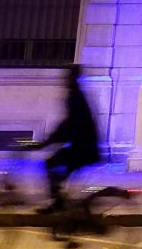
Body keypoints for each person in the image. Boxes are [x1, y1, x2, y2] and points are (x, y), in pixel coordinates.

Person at [34, 64, 101, 210]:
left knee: (50, 163)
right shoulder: (77, 94)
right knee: (60, 172)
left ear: (71, 78)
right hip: (84, 147)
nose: (63, 80)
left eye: (66, 77)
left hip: (83, 149)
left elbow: (69, 125)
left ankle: (57, 203)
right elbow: (68, 125)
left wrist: (47, 142)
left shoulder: (74, 96)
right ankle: (60, 201)